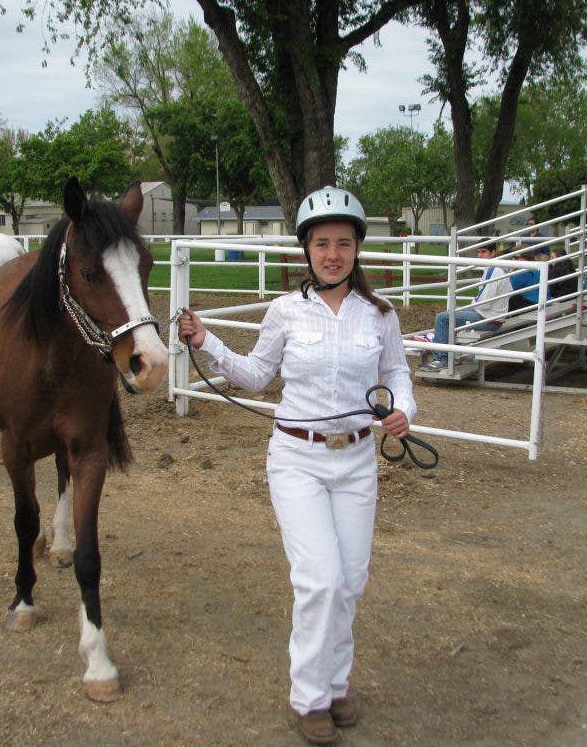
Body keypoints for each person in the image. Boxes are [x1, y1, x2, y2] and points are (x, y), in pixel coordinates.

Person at [176, 186, 415, 747]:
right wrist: (206, 340)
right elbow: (257, 376)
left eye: (344, 243)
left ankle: (335, 685)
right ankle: (308, 699)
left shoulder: (380, 315)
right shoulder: (285, 311)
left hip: (356, 459)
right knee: (319, 579)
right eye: (322, 244)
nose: (333, 254)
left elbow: (398, 372)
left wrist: (403, 408)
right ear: (306, 249)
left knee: (350, 581)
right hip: (296, 459)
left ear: (358, 250)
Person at [423, 243, 512, 370]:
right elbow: (506, 291)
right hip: (492, 314)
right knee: (450, 314)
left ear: (493, 253)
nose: (480, 256)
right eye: (478, 252)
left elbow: (485, 303)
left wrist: (475, 303)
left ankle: (441, 359)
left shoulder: (494, 271)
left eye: (484, 252)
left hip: (489, 318)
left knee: (443, 318)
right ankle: (450, 354)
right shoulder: (496, 268)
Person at [508, 245, 551, 312]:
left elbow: (509, 287)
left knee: (512, 299)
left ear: (525, 257)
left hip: (533, 303)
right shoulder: (536, 267)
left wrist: (511, 271)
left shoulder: (523, 270)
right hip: (541, 302)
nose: (513, 260)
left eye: (516, 257)